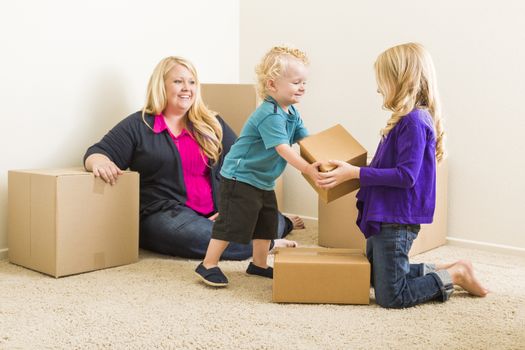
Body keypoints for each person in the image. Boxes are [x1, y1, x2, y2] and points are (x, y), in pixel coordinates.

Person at [318, 43, 488, 308]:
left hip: (395, 217)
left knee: (391, 296)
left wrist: (356, 173)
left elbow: (406, 176)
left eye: (382, 81)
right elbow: (390, 165)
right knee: (375, 276)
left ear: (401, 79)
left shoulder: (414, 121)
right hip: (385, 211)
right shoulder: (404, 120)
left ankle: (455, 274)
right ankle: (445, 267)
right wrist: (351, 169)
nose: (378, 88)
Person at [83, 56, 301, 261]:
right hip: (164, 214)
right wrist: (99, 161)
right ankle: (266, 245)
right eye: (178, 81)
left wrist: (228, 208)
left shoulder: (212, 123)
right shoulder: (139, 125)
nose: (187, 88)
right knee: (203, 237)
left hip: (216, 211)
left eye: (192, 82)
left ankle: (280, 226)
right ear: (162, 86)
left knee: (271, 219)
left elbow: (241, 164)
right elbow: (97, 152)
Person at [195, 46, 322, 287]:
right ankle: (208, 264)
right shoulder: (270, 114)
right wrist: (308, 169)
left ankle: (259, 264)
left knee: (267, 223)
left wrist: (322, 156)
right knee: (233, 223)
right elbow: (283, 148)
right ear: (273, 85)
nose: (303, 87)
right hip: (240, 178)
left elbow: (305, 139)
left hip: (262, 179)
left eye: (304, 82)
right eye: (296, 82)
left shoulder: (291, 111)